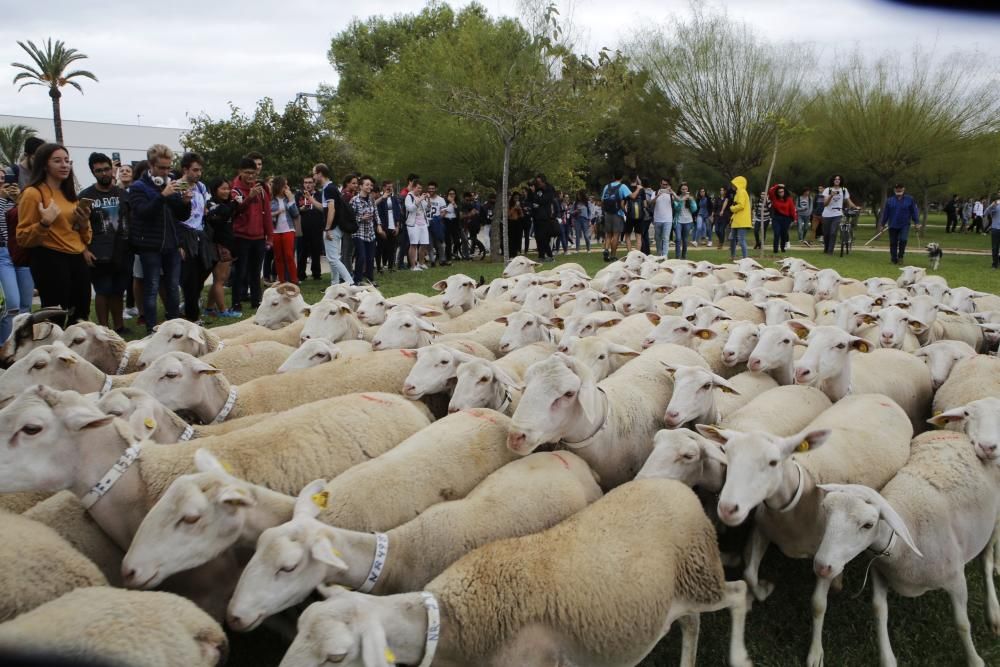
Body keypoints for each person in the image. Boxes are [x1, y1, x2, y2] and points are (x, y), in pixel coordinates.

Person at [16, 143, 92, 325]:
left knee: (81, 316)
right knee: (55, 318)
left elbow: (86, 237)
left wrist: (83, 223)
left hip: (77, 258)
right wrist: (44, 223)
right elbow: (23, 237)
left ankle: (76, 353)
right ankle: (53, 351)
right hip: (50, 259)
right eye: (57, 161)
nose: (65, 165)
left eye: (67, 160)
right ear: (44, 165)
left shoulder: (70, 194)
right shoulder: (32, 193)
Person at [126, 145, 193, 331]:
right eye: (162, 168)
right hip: (149, 245)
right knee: (152, 288)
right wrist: (162, 196)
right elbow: (142, 213)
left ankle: (174, 327)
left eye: (168, 167)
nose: (166, 172)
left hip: (171, 244)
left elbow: (181, 216)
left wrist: (186, 202)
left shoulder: (171, 182)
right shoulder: (138, 187)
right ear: (151, 165)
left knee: (173, 287)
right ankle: (151, 328)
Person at [79, 152, 127, 332]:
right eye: (99, 170)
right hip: (97, 252)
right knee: (103, 290)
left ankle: (119, 326)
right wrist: (84, 250)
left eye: (107, 169)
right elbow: (76, 227)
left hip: (122, 250)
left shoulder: (122, 194)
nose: (104, 173)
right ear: (93, 172)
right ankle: (103, 329)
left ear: (112, 169)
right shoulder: (85, 196)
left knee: (117, 291)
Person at [230, 157, 273, 311]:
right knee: (240, 272)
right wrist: (249, 198)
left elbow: (267, 214)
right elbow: (235, 211)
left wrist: (270, 237)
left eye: (253, 174)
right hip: (241, 237)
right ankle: (236, 302)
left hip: (259, 237)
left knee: (256, 272)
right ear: (240, 172)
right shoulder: (235, 189)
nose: (251, 177)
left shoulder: (261, 190)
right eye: (247, 173)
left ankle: (257, 301)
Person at [175, 152, 213, 322]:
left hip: (199, 233)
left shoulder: (201, 187)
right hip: (184, 234)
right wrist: (179, 244)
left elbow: (202, 210)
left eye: (200, 170)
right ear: (185, 169)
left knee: (205, 268)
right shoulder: (177, 186)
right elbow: (175, 216)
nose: (198, 173)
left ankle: (191, 304)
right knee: (189, 279)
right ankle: (192, 317)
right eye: (195, 170)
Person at [0, 179, 34, 343]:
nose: (2, 181)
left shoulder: (18, 200)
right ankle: (5, 345)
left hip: (22, 253)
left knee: (26, 305)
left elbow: (25, 222)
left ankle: (21, 345)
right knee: (12, 304)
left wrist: (18, 200)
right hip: (4, 254)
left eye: (3, 177)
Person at [309, 163, 353, 286]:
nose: (313, 177)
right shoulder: (329, 188)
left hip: (332, 228)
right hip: (335, 227)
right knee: (334, 258)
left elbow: (331, 209)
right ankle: (335, 284)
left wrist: (328, 228)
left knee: (333, 258)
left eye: (314, 174)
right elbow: (325, 209)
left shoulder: (329, 189)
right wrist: (311, 200)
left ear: (320, 174)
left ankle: (350, 282)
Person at [204, 178, 239, 317]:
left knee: (220, 279)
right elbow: (223, 212)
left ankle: (209, 308)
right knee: (219, 279)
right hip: (219, 244)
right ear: (215, 190)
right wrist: (232, 204)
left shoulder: (227, 203)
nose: (226, 191)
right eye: (223, 189)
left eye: (228, 188)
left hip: (228, 243)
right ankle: (223, 310)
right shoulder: (212, 203)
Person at [350, 175, 381, 286]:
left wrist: (379, 225)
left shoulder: (372, 199)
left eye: (371, 185)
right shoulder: (354, 200)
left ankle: (369, 279)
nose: (369, 187)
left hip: (370, 233)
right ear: (361, 186)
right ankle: (357, 280)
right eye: (367, 185)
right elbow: (350, 217)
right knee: (361, 256)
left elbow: (376, 214)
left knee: (370, 257)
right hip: (358, 233)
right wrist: (361, 218)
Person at [820, 175, 862, 255]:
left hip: (837, 214)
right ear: (832, 180)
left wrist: (855, 207)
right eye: (835, 179)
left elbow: (848, 201)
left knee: (833, 232)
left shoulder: (844, 190)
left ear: (840, 181)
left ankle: (830, 251)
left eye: (839, 179)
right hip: (827, 214)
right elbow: (825, 204)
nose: (837, 180)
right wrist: (831, 195)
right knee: (826, 233)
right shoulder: (827, 190)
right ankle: (826, 248)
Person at [269, 176, 300, 284]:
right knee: (278, 257)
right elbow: (267, 215)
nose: (287, 188)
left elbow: (295, 214)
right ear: (279, 187)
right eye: (284, 186)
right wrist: (276, 213)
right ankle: (281, 280)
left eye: (287, 185)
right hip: (275, 231)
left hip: (288, 229)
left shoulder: (289, 198)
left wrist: (291, 200)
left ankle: (294, 279)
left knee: (289, 255)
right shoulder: (271, 200)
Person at [880, 183, 919, 265]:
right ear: (894, 190)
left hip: (904, 224)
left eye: (900, 188)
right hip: (893, 225)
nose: (899, 190)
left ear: (903, 189)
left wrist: (916, 222)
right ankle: (893, 259)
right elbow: (886, 213)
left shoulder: (909, 199)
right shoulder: (890, 200)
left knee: (903, 240)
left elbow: (914, 211)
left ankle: (900, 257)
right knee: (893, 242)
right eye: (897, 188)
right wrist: (882, 224)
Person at [600, 171, 632, 262]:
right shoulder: (623, 187)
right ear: (622, 177)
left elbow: (602, 200)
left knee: (608, 235)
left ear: (614, 176)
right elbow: (631, 196)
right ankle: (613, 255)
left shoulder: (607, 186)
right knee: (616, 235)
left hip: (607, 214)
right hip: (618, 214)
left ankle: (606, 249)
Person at [404, 180, 431, 270]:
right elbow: (410, 208)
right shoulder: (409, 196)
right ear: (413, 187)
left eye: (421, 188)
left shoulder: (420, 196)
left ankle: (421, 263)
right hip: (413, 224)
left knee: (424, 243)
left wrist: (428, 199)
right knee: (414, 244)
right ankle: (413, 266)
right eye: (418, 188)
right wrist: (419, 200)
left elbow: (427, 208)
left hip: (423, 223)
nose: (420, 189)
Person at [375, 180, 401, 272]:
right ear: (383, 187)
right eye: (387, 187)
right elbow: (377, 213)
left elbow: (397, 213)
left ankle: (390, 267)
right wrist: (380, 228)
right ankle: (379, 267)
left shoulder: (394, 199)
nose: (389, 188)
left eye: (391, 187)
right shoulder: (381, 199)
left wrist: (397, 226)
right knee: (380, 248)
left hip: (393, 226)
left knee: (392, 248)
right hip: (383, 226)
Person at [531, 174, 558, 262]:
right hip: (536, 216)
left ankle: (549, 255)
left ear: (543, 181)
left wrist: (535, 195)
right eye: (537, 182)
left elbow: (544, 200)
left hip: (545, 217)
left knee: (544, 237)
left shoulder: (549, 189)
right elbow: (533, 200)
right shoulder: (537, 189)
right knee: (538, 237)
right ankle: (541, 256)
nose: (538, 184)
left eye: (539, 182)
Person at [767, 183, 796, 255]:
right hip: (776, 218)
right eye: (779, 192)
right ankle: (775, 249)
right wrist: (778, 185)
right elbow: (770, 192)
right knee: (776, 233)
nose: (781, 193)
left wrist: (794, 219)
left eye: (782, 191)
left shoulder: (789, 199)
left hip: (786, 219)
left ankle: (782, 247)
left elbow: (792, 209)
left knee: (784, 234)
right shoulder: (774, 198)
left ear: (784, 192)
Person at [672, 182, 698, 260]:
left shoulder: (691, 198)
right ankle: (677, 256)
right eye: (683, 189)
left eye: (686, 189)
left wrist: (691, 201)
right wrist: (681, 200)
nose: (684, 190)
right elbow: (677, 208)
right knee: (678, 239)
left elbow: (694, 210)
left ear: (688, 190)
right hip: (678, 221)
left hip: (688, 221)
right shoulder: (677, 198)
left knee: (685, 240)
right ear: (680, 190)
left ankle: (684, 256)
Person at [729, 176, 751, 260]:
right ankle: (733, 256)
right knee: (732, 239)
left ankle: (746, 259)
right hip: (737, 220)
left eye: (734, 184)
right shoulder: (738, 192)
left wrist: (732, 208)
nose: (732, 185)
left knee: (741, 240)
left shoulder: (742, 192)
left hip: (742, 221)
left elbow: (741, 205)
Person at [425, 182, 448, 266]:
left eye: (432, 188)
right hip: (427, 223)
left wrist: (437, 219)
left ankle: (442, 260)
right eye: (429, 188)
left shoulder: (440, 199)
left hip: (436, 223)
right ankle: (432, 261)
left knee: (439, 243)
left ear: (436, 189)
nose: (431, 190)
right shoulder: (424, 198)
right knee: (429, 243)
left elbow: (444, 212)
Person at [340, 174, 359, 270]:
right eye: (353, 183)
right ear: (347, 183)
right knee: (347, 253)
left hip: (348, 226)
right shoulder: (346, 196)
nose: (356, 185)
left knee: (347, 252)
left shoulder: (349, 194)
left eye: (357, 183)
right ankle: (348, 274)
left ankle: (345, 274)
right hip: (348, 227)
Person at [652, 180, 674, 257]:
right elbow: (651, 202)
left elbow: (678, 200)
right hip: (657, 219)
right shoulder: (655, 192)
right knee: (658, 238)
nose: (664, 186)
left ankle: (665, 255)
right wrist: (658, 195)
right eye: (663, 184)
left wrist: (672, 192)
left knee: (666, 238)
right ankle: (659, 253)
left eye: (666, 184)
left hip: (668, 219)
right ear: (660, 184)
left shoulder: (670, 194)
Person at [443, 188, 463, 261]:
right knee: (448, 241)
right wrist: (449, 203)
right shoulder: (444, 202)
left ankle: (454, 253)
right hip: (446, 221)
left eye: (453, 194)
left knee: (457, 240)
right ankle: (448, 257)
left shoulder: (457, 202)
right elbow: (443, 211)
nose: (452, 195)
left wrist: (453, 203)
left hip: (455, 222)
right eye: (450, 194)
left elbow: (459, 212)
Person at [986, 195, 1000, 268]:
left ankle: (997, 262)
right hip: (995, 229)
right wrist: (991, 206)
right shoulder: (995, 206)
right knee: (995, 247)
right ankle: (995, 263)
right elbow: (985, 213)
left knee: (996, 247)